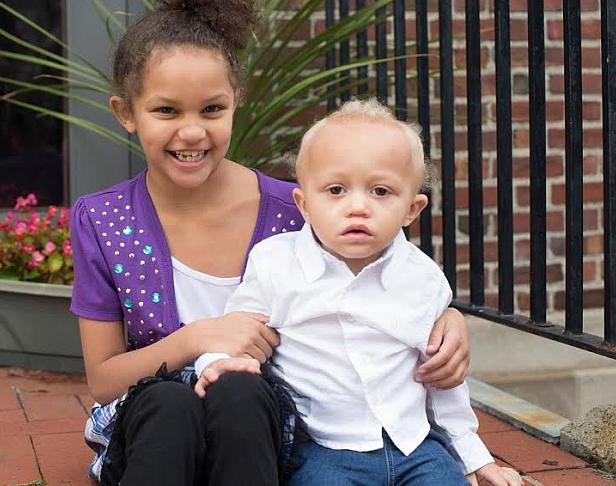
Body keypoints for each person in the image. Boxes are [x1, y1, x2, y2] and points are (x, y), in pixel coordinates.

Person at [70, 0, 471, 486]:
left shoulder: (298, 208)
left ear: (236, 102)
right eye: (167, 111)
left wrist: (448, 320)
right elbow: (103, 380)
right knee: (169, 405)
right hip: (154, 424)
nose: (192, 132)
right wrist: (199, 337)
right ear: (126, 113)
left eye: (211, 109)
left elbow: (385, 270)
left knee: (241, 391)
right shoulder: (103, 220)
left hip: (258, 425)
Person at [193, 100, 523, 486]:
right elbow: (234, 331)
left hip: (415, 446)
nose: (357, 207)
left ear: (411, 210)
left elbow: (443, 377)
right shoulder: (275, 265)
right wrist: (214, 363)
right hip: (323, 449)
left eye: (381, 191)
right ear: (304, 204)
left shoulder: (422, 278)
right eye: (335, 190)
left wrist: (473, 456)